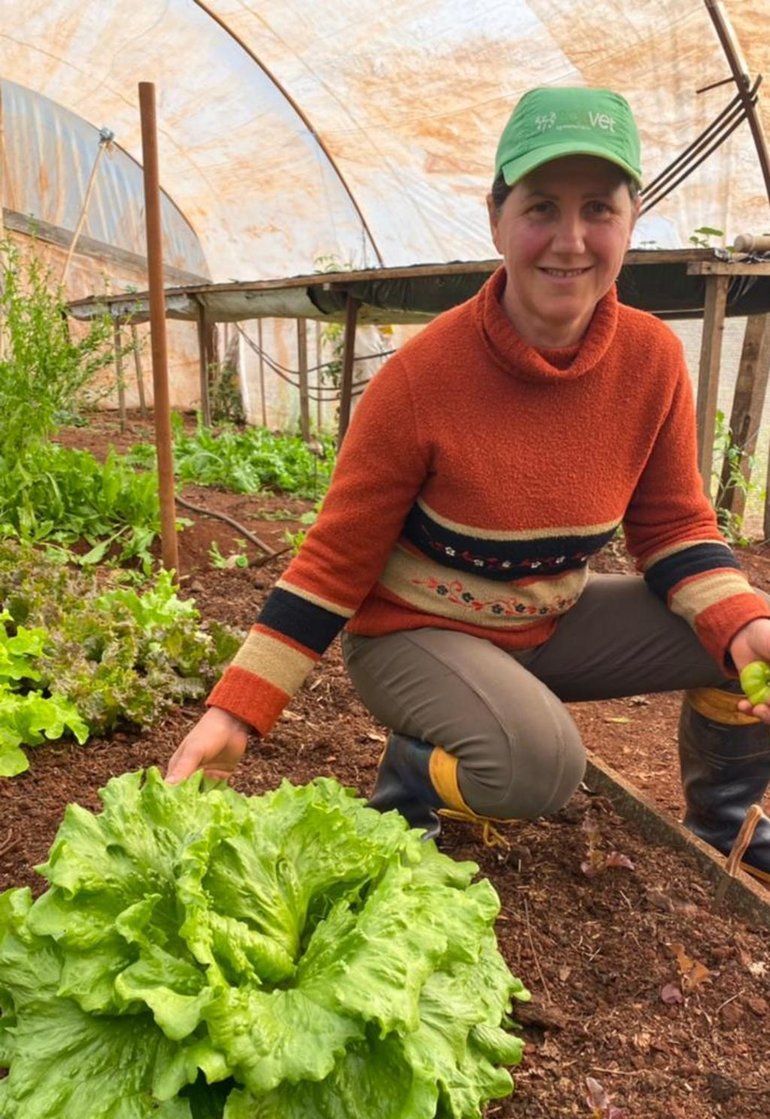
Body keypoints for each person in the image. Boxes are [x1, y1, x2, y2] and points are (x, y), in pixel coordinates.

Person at [167, 85, 770, 883]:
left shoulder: (650, 359)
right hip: (411, 636)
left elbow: (673, 528)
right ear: (496, 218)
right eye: (540, 208)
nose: (570, 239)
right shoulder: (425, 377)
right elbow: (335, 558)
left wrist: (738, 623)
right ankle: (416, 774)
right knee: (539, 767)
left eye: (598, 208)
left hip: (547, 619)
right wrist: (237, 708)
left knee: (749, 637)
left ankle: (728, 832)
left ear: (630, 221)